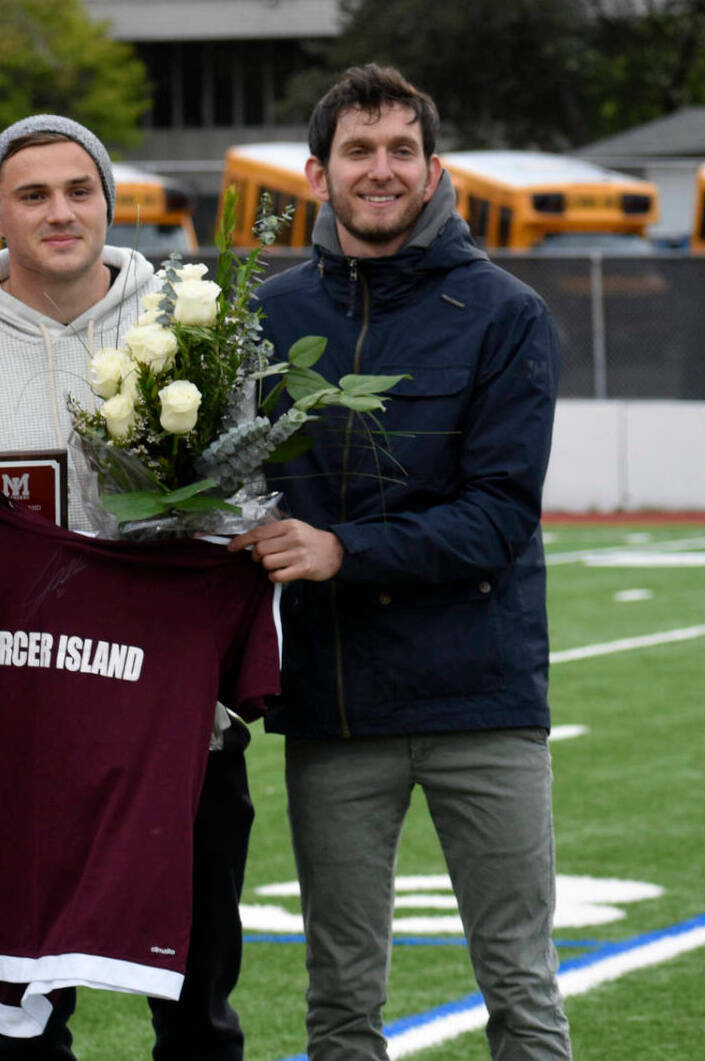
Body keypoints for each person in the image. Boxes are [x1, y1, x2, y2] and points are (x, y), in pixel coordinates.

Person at [229, 65, 572, 1061]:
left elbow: (498, 515)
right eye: (356, 151)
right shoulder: (266, 317)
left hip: (484, 700)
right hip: (336, 704)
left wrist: (340, 548)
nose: (377, 170)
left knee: (519, 984)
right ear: (315, 174)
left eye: (397, 152)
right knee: (337, 998)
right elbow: (230, 497)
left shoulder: (504, 313)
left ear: (431, 171)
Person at [0, 114, 255, 1061]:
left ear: (108, 201)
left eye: (79, 190)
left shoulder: (191, 323)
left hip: (177, 725)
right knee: (17, 1019)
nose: (61, 212)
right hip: (11, 729)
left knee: (195, 1006)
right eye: (33, 195)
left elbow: (250, 506)